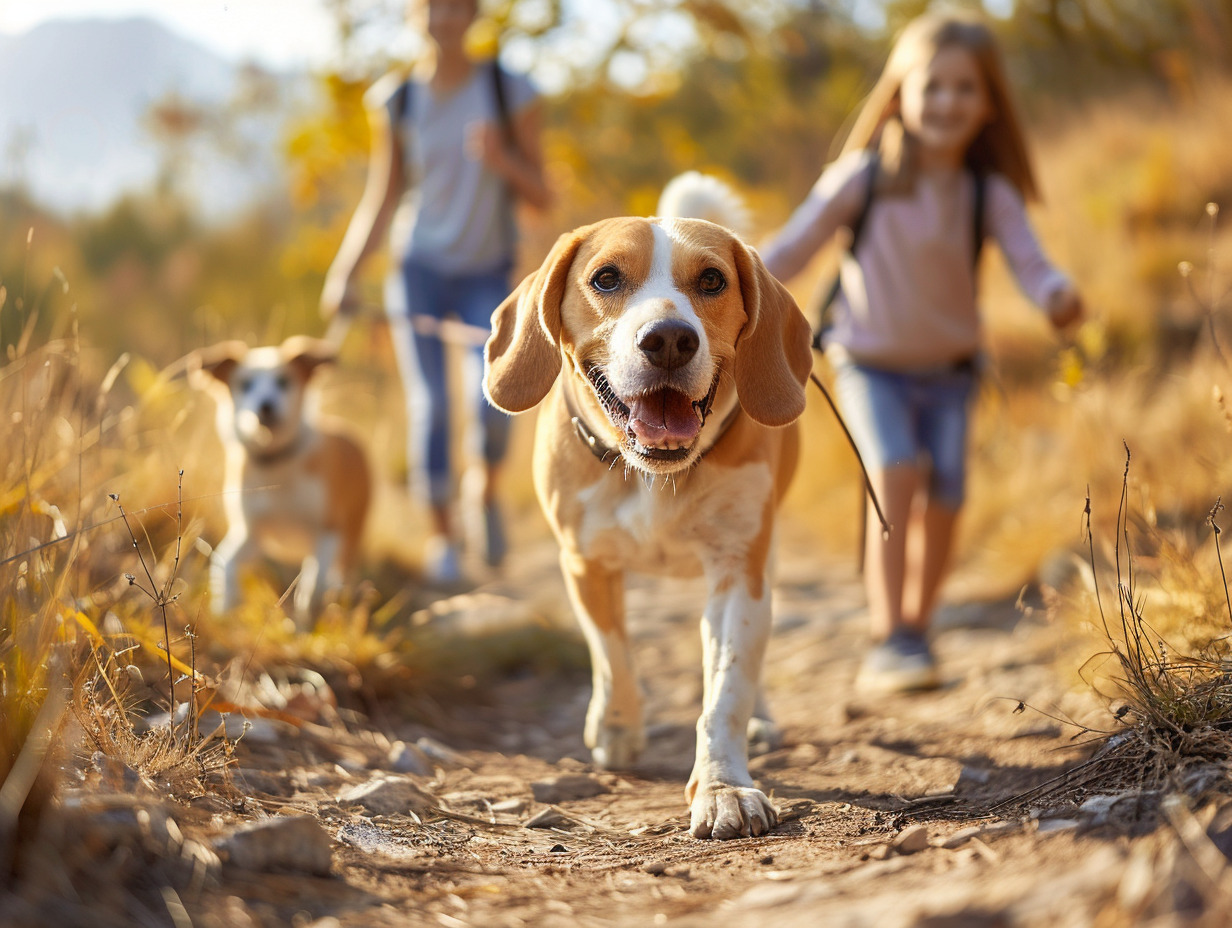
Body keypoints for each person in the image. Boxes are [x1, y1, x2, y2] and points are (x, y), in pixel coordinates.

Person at [760, 11, 1082, 694]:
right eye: (932, 85)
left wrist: (1057, 294)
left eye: (965, 88)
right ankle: (891, 635)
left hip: (951, 373)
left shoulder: (986, 193)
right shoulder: (862, 177)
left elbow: (1032, 262)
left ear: (989, 102)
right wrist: (715, 283)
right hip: (869, 363)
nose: (947, 101)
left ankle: (920, 621)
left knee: (949, 492)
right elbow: (789, 250)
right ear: (900, 91)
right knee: (895, 472)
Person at [320, 0, 551, 583]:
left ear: (474, 15)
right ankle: (443, 541)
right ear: (415, 16)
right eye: (433, 7)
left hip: (486, 271)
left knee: (492, 395)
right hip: (418, 268)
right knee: (432, 407)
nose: (444, 19)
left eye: (457, 7)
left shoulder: (510, 90)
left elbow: (543, 194)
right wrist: (346, 271)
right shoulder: (396, 100)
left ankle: (486, 490)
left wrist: (502, 161)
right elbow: (384, 195)